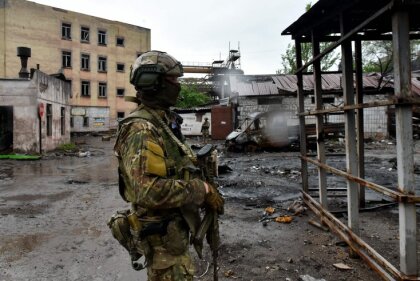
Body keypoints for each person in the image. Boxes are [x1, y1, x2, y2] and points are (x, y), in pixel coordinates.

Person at [113, 50, 224, 281]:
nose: (178, 85)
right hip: (162, 242)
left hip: (172, 235)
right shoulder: (141, 129)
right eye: (173, 80)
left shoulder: (162, 121)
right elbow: (148, 191)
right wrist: (200, 190)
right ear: (156, 83)